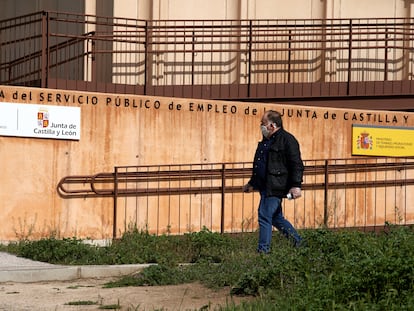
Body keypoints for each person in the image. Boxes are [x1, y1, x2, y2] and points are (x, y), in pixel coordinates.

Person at [243, 110, 304, 253]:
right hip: (265, 186)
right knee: (276, 218)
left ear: (272, 125)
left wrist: (296, 186)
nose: (261, 127)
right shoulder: (266, 141)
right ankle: (299, 244)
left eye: (263, 123)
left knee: (264, 215)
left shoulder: (287, 140)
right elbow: (260, 164)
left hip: (276, 185)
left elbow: (296, 164)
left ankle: (263, 252)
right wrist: (252, 183)